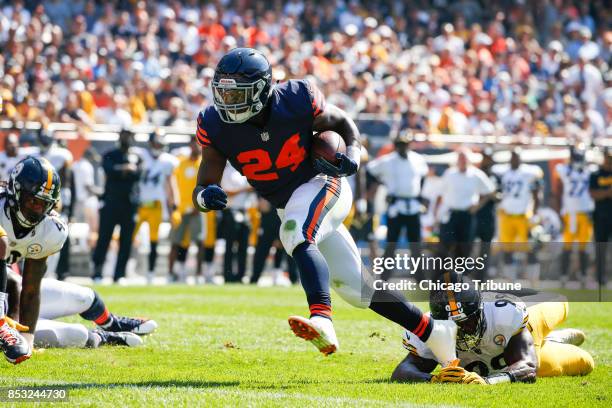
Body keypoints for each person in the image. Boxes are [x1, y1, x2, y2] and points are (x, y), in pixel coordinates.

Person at [192, 48, 457, 364]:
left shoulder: (296, 98)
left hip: (323, 183)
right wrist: (205, 197)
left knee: (296, 233)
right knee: (357, 289)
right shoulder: (214, 123)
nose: (228, 101)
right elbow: (203, 182)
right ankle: (435, 333)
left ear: (262, 90)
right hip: (289, 203)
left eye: (237, 94)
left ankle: (322, 318)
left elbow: (342, 122)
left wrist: (354, 156)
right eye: (223, 92)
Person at [391, 287, 594, 383]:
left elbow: (528, 367)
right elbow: (403, 370)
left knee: (560, 300)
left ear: (480, 311)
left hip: (523, 334)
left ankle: (546, 337)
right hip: (506, 363)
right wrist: (433, 379)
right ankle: (553, 342)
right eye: (455, 325)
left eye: (468, 321)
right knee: (586, 362)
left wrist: (489, 382)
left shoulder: (505, 315)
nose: (464, 330)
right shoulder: (432, 330)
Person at [0, 157, 67, 363]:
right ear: (16, 192)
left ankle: (106, 333)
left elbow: (31, 289)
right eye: (33, 200)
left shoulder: (51, 231)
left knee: (16, 282)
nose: (37, 209)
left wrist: (27, 340)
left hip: (9, 288)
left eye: (44, 203)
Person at [6, 271, 157, 348]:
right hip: (4, 320)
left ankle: (110, 322)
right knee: (77, 335)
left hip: (14, 293)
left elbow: (12, 278)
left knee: (84, 297)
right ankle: (102, 336)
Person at [366, 133, 428, 281]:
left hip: (413, 204)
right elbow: (369, 170)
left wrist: (419, 194)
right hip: (396, 205)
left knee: (416, 244)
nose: (402, 147)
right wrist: (381, 183)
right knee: (391, 243)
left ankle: (419, 276)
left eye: (405, 144)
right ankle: (385, 276)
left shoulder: (418, 159)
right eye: (399, 144)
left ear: (409, 145)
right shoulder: (388, 160)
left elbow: (424, 176)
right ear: (395, 145)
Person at [92, 129, 142, 283]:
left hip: (129, 204)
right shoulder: (110, 154)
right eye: (124, 135)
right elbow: (109, 170)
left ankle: (119, 274)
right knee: (104, 238)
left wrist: (121, 170)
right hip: (111, 202)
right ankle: (97, 272)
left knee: (126, 241)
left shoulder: (137, 156)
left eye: (129, 135)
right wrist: (125, 169)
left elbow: (138, 174)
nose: (126, 139)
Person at [133, 129, 178, 283]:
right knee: (128, 238)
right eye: (156, 142)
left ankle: (150, 273)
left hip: (156, 206)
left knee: (154, 240)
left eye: (160, 143)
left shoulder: (167, 161)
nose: (158, 146)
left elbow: (170, 183)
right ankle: (127, 268)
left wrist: (174, 206)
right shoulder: (139, 155)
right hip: (139, 204)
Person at [434, 149, 496, 258]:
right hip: (451, 214)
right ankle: (441, 274)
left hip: (467, 214)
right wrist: (436, 213)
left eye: (464, 158)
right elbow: (439, 194)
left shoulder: (476, 174)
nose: (462, 161)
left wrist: (478, 206)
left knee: (464, 247)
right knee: (445, 245)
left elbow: (490, 191)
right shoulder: (450, 173)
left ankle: (461, 274)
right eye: (460, 158)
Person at [493, 148, 543, 281]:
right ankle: (510, 280)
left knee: (531, 248)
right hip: (506, 216)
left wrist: (535, 213)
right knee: (507, 249)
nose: (514, 159)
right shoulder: (502, 171)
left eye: (516, 156)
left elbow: (537, 193)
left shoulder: (529, 172)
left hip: (523, 216)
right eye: (512, 156)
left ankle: (533, 280)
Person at [168, 138, 208, 283]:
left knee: (199, 242)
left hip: (198, 208)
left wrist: (200, 204)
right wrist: (174, 205)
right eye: (193, 143)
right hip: (181, 208)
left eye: (198, 143)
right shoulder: (181, 163)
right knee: (175, 241)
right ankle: (171, 273)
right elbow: (173, 183)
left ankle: (198, 274)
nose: (195, 146)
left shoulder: (204, 163)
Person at [555, 146, 595, 286]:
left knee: (583, 247)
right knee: (568, 246)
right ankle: (564, 275)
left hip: (584, 213)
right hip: (571, 213)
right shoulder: (567, 170)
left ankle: (583, 275)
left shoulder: (587, 171)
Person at [219, 164, 255, 283]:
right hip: (231, 210)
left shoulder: (244, 169)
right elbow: (227, 192)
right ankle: (228, 275)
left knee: (243, 245)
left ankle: (241, 275)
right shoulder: (227, 170)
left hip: (244, 211)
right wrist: (245, 190)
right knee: (230, 246)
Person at [589, 148, 612, 287]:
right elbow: (593, 194)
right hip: (601, 217)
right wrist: (608, 192)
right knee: (600, 249)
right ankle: (600, 278)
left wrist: (603, 193)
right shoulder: (596, 174)